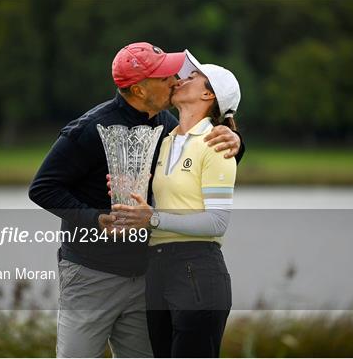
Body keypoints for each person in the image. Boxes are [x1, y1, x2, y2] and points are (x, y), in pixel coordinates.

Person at [28, 42, 244, 358]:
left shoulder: (167, 125)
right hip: (91, 274)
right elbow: (43, 188)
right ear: (140, 90)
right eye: (165, 77)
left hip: (146, 278)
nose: (175, 80)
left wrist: (236, 140)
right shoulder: (89, 129)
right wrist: (96, 219)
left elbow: (210, 152)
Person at [111, 51, 240, 358]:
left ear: (208, 94)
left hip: (197, 270)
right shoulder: (165, 138)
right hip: (157, 270)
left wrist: (152, 218)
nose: (181, 79)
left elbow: (218, 221)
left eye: (193, 77)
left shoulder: (216, 142)